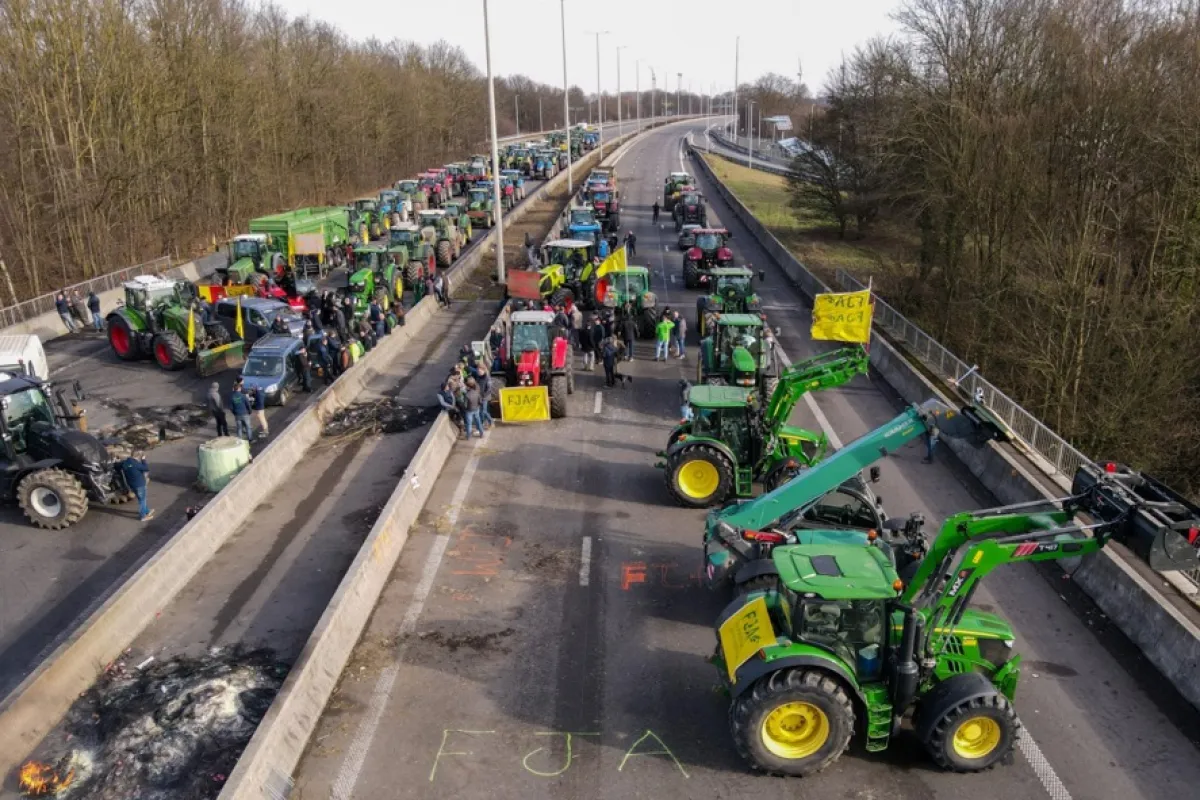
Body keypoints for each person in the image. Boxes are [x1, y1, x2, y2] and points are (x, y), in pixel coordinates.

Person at [120, 451, 154, 521]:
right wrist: (143, 460)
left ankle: (147, 511)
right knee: (142, 500)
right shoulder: (136, 464)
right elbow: (146, 468)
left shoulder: (126, 462)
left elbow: (118, 466)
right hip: (139, 485)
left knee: (141, 498)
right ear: (138, 457)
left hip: (132, 485)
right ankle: (143, 516)